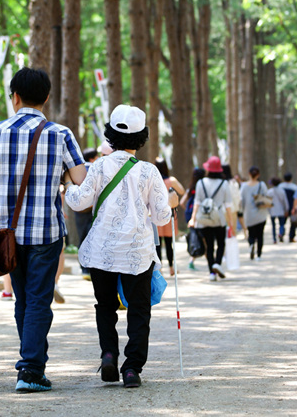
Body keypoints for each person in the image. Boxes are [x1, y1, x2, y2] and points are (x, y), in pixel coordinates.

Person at [0, 67, 86, 393]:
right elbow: (82, 180)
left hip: (5, 235)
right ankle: (30, 369)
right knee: (39, 300)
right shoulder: (60, 134)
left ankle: (32, 364)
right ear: (46, 97)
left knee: (23, 300)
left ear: (15, 96)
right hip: (46, 231)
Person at [64, 104, 178, 388]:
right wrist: (173, 202)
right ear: (142, 138)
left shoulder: (99, 166)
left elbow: (79, 202)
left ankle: (108, 356)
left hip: (101, 250)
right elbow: (162, 215)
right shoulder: (149, 172)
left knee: (105, 306)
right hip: (137, 252)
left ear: (110, 134)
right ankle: (132, 368)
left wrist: (68, 185)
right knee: (139, 309)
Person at [188, 156, 233, 282]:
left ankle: (211, 273)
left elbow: (197, 202)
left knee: (209, 246)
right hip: (219, 218)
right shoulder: (224, 184)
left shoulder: (200, 183)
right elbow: (228, 205)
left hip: (204, 218)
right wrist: (231, 222)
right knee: (221, 243)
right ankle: (217, 264)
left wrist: (193, 219)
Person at [154, 157, 185, 276]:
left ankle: (159, 268)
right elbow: (181, 191)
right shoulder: (171, 180)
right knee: (168, 243)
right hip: (169, 214)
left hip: (156, 214)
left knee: (157, 243)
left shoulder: (154, 180)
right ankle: (172, 267)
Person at [74, 147, 99, 280]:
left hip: (79, 209)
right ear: (92, 158)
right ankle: (90, 267)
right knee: (92, 238)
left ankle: (84, 268)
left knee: (82, 237)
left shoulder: (79, 169)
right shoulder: (94, 169)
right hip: (92, 209)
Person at [240, 166, 268, 260]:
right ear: (258, 175)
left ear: (249, 174)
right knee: (260, 235)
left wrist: (242, 211)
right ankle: (259, 255)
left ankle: (251, 244)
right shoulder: (262, 185)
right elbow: (266, 196)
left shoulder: (244, 186)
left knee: (251, 233)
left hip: (249, 214)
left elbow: (241, 200)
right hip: (261, 214)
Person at [180, 167, 205, 270]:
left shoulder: (190, 188)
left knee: (195, 237)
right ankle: (211, 264)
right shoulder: (203, 188)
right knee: (203, 239)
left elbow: (181, 202)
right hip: (200, 216)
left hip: (189, 216)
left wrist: (187, 211)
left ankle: (191, 261)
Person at [267, 177, 289, 243]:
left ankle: (274, 239)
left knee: (273, 226)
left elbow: (268, 202)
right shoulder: (282, 191)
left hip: (272, 211)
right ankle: (280, 233)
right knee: (281, 224)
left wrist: (269, 211)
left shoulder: (269, 192)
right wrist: (286, 209)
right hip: (281, 210)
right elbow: (285, 201)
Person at [280, 172, 297, 242]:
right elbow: (296, 199)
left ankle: (281, 234)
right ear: (291, 178)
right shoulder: (294, 187)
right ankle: (291, 237)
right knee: (293, 223)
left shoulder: (280, 187)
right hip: (292, 207)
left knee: (282, 222)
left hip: (283, 208)